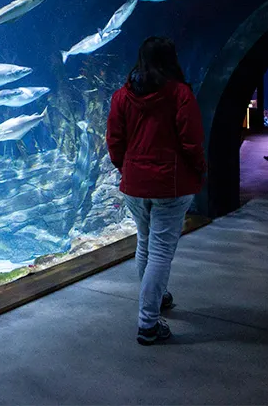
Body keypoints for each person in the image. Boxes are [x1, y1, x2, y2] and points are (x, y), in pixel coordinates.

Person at [107, 36, 206, 346]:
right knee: (161, 252)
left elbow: (114, 140)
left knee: (146, 245)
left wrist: (127, 168)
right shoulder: (180, 94)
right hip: (171, 184)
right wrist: (200, 168)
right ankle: (148, 323)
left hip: (135, 184)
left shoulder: (121, 97)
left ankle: (158, 298)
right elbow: (191, 140)